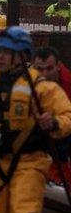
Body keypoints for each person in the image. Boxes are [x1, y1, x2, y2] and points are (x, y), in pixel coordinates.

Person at [0, 26, 71, 213]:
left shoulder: (41, 88)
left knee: (24, 211)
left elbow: (67, 116)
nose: (0, 57)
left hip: (29, 163)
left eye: (7, 52)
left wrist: (53, 123)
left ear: (21, 56)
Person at [33, 47, 71, 183]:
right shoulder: (27, 85)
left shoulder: (68, 84)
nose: (44, 74)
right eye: (40, 69)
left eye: (49, 68)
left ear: (58, 66)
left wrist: (55, 122)